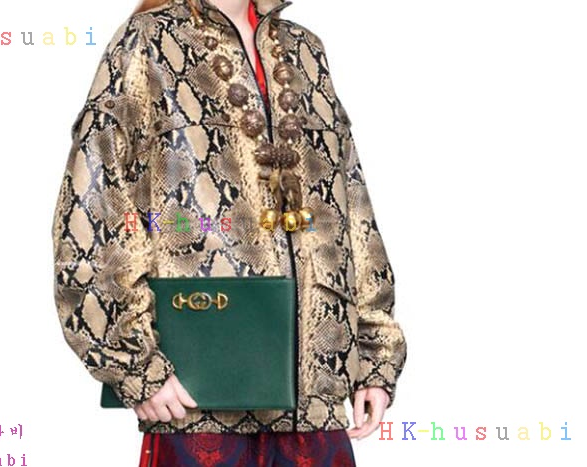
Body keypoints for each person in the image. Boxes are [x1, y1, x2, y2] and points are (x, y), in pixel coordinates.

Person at [51, 0, 407, 465]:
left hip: (315, 398)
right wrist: (134, 364)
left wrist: (374, 354)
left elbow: (352, 207)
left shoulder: (305, 50)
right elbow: (95, 204)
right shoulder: (149, 41)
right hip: (200, 392)